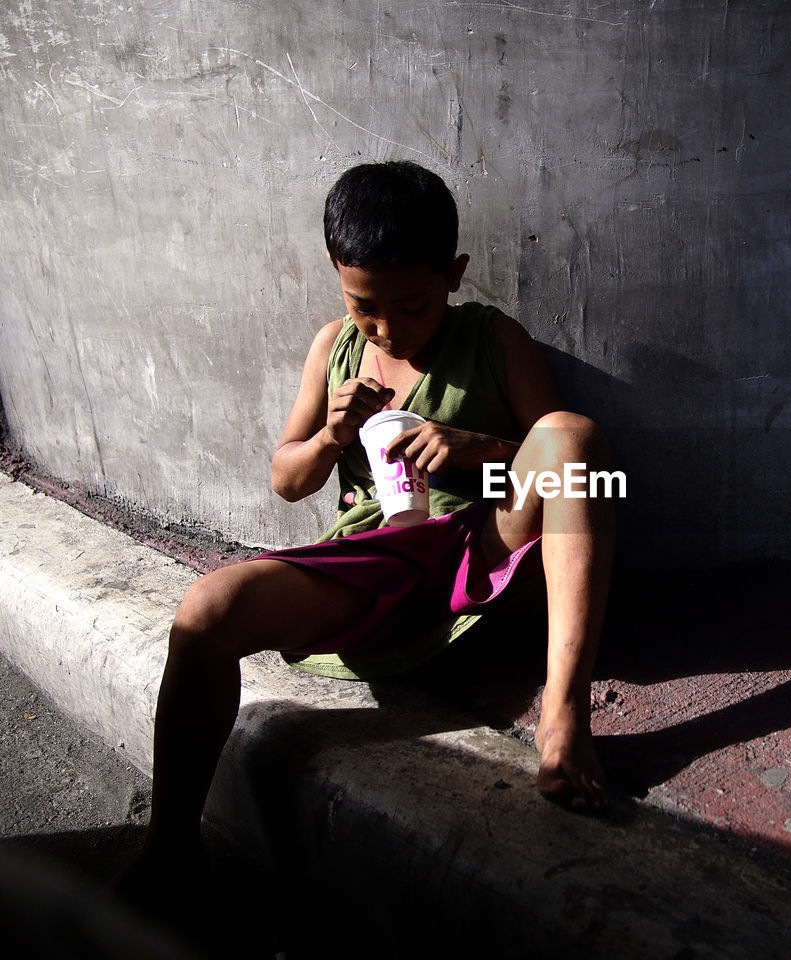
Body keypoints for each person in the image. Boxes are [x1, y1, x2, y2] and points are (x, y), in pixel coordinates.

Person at [120, 160, 614, 891]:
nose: (390, 327)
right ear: (335, 273)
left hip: (478, 549)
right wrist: (327, 437)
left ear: (455, 273)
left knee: (573, 435)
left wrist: (488, 449)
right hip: (374, 569)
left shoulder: (492, 339)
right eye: (365, 306)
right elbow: (286, 482)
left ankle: (565, 717)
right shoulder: (335, 347)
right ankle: (168, 847)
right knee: (204, 611)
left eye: (414, 305)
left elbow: (592, 481)